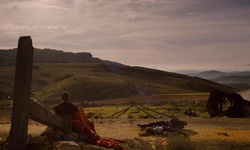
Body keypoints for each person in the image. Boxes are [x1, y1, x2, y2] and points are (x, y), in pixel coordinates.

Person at [53, 91, 123, 149]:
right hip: (73, 126)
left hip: (63, 126)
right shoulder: (72, 106)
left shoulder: (58, 107)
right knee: (83, 127)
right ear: (68, 97)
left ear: (62, 98)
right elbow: (77, 115)